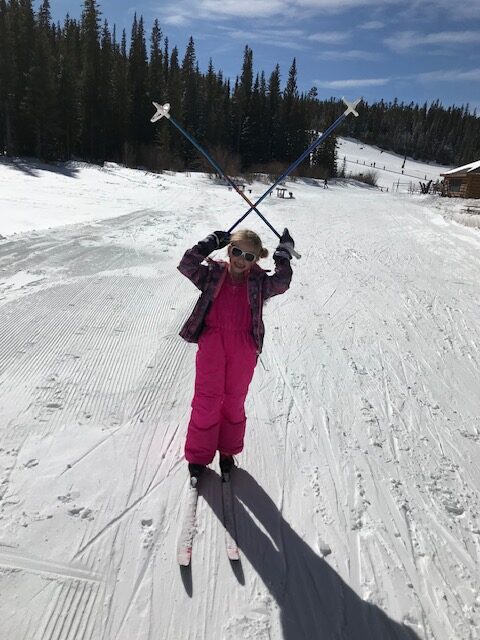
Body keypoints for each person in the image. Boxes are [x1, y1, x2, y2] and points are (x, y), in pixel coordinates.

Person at [178, 227, 294, 483]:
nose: (241, 259)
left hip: (243, 345)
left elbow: (282, 282)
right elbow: (187, 265)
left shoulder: (259, 282)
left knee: (234, 400)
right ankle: (198, 456)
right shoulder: (213, 274)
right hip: (213, 343)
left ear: (257, 259)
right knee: (207, 399)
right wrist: (208, 244)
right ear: (229, 250)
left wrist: (283, 255)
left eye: (249, 256)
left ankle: (227, 452)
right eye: (237, 251)